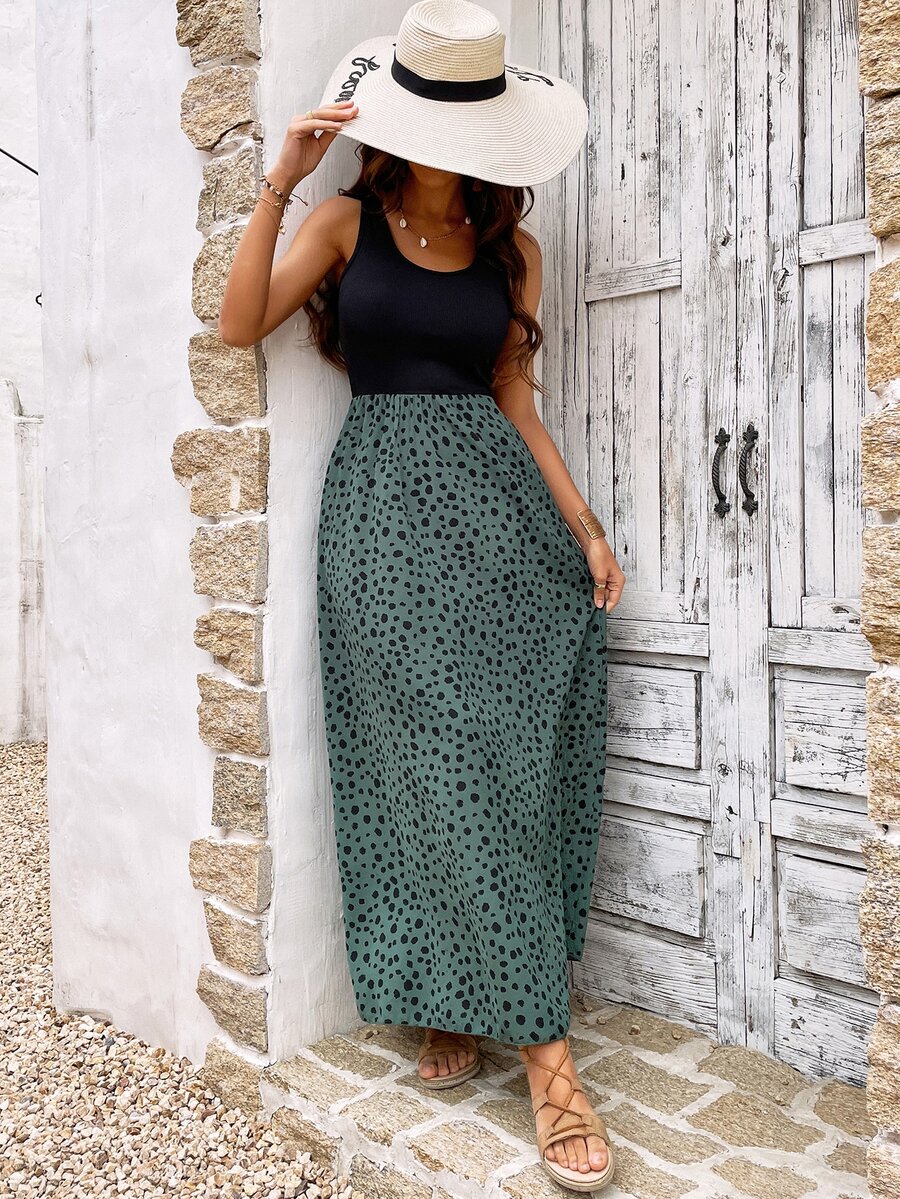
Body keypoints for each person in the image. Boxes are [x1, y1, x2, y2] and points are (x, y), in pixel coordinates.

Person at [218, 2, 626, 1191]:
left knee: (509, 765)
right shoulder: (345, 222)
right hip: (385, 528)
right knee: (427, 766)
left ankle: (467, 996)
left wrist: (584, 526)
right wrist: (281, 180)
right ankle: (548, 1059)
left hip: (500, 525)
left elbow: (517, 402)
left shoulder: (514, 254)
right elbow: (239, 323)